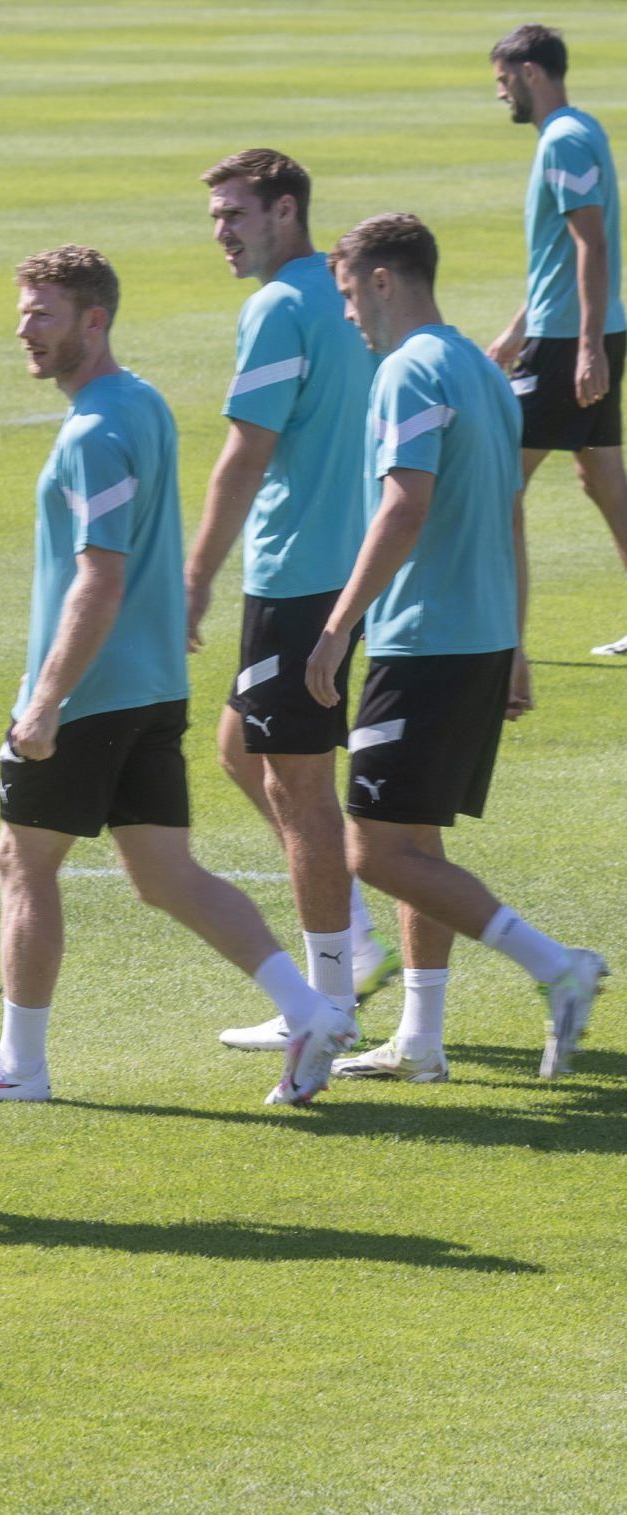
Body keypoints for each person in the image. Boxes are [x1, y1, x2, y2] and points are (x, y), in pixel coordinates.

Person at [0, 245, 354, 1111]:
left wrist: (46, 702)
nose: (24, 330)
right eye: (23, 312)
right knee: (165, 874)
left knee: (20, 861)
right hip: (151, 687)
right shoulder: (141, 403)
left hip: (92, 692)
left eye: (43, 314)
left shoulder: (94, 433)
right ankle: (310, 1012)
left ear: (94, 319)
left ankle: (20, 1063)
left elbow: (100, 578)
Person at [310, 214, 606, 1085]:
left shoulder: (407, 370)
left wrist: (338, 626)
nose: (349, 315)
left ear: (382, 281)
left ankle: (557, 965)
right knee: (417, 841)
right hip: (478, 638)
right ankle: (421, 1039)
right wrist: (515, 641)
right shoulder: (482, 368)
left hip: (424, 642)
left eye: (349, 294)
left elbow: (404, 505)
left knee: (373, 851)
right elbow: (510, 514)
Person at [188, 149, 396, 1058]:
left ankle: (329, 1001)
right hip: (360, 565)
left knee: (298, 790)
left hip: (300, 574)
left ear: (284, 211)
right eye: (215, 218)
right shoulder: (346, 293)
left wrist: (195, 575)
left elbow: (246, 453)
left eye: (235, 215)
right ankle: (356, 942)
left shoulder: (277, 306)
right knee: (240, 744)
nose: (222, 233)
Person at [487, 24, 627, 656]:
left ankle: (500, 642)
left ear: (531, 73)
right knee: (603, 480)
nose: (501, 94)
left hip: (572, 342)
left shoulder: (563, 141)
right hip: (580, 331)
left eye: (504, 80)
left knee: (497, 484)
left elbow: (589, 242)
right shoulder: (580, 129)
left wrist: (587, 346)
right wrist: (518, 328)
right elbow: (560, 257)